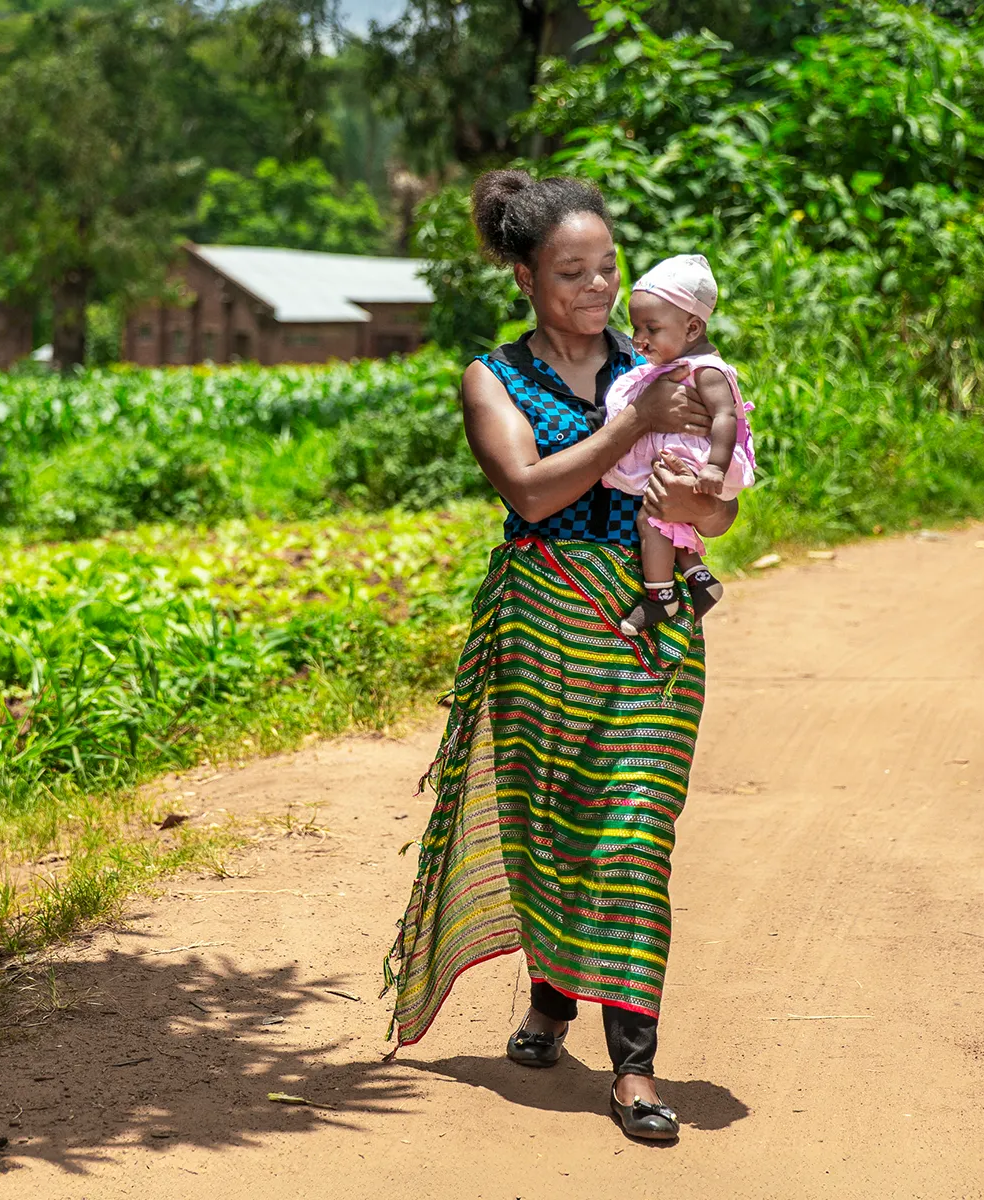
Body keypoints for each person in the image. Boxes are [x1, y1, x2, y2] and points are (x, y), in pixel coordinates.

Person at [382, 169, 736, 1143]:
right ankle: (550, 996)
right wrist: (629, 429)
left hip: (647, 623)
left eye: (608, 268)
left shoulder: (665, 364)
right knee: (553, 825)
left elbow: (718, 498)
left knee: (630, 840)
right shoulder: (492, 380)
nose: (595, 287)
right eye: (571, 271)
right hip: (541, 623)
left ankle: (632, 1068)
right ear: (524, 276)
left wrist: (702, 494)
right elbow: (529, 493)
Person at [601, 253, 756, 637]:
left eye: (651, 328)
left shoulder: (706, 370)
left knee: (650, 518)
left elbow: (725, 418)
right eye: (636, 328)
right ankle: (698, 579)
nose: (639, 339)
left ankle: (661, 597)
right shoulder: (675, 365)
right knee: (665, 516)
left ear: (691, 328)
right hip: (685, 460)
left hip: (701, 462)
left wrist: (715, 468)